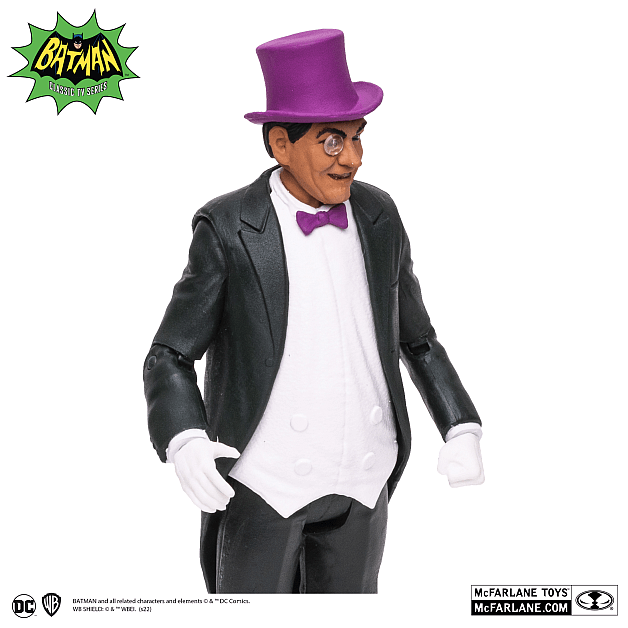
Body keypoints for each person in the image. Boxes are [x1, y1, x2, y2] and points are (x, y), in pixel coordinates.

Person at [144, 29, 484, 594]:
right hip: (265, 481)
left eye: (356, 138)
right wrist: (186, 439)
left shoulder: (379, 215)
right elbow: (170, 354)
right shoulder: (228, 228)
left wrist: (460, 425)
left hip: (364, 479)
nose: (352, 158)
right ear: (281, 144)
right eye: (331, 141)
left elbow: (417, 338)